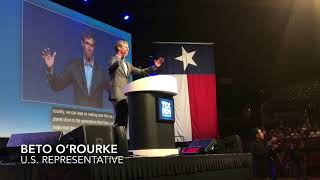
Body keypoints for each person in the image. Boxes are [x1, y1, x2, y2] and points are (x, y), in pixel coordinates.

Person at [42, 31, 107, 108]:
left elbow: (114, 90)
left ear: (94, 47)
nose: (89, 48)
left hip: (97, 117)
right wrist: (50, 68)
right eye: (87, 43)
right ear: (82, 44)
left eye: (92, 45)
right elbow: (56, 86)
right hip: (78, 117)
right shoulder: (74, 67)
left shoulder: (102, 70)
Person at [107, 40, 164, 127]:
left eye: (128, 47)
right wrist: (121, 59)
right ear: (119, 48)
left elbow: (141, 72)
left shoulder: (128, 65)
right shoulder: (113, 59)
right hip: (117, 93)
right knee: (120, 118)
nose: (128, 49)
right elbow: (111, 68)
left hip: (125, 95)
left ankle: (122, 140)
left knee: (124, 120)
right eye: (126, 47)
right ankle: (117, 140)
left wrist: (154, 67)